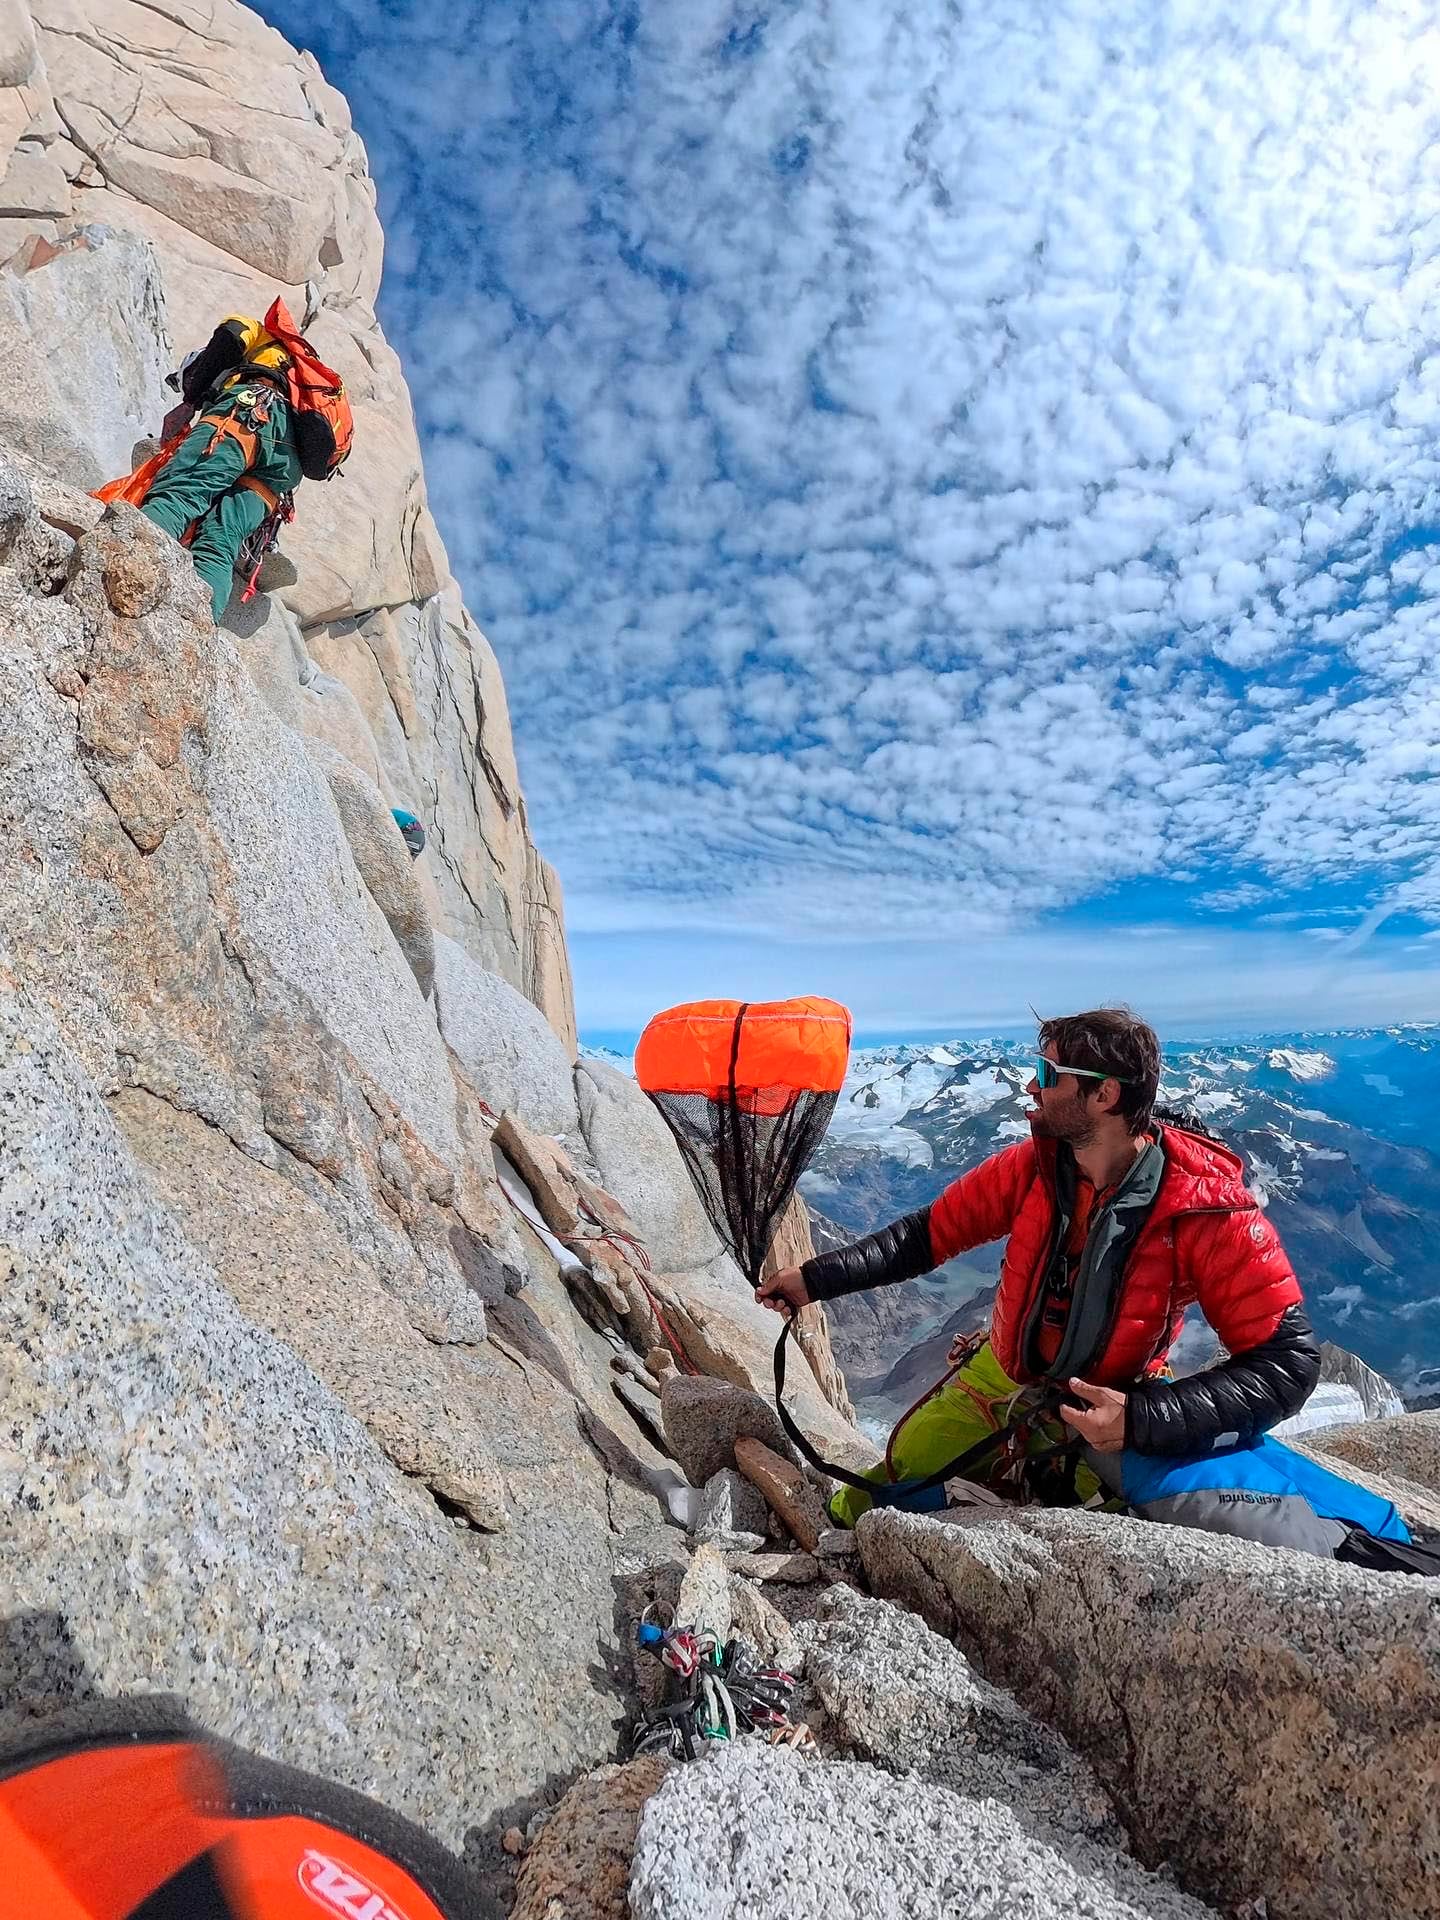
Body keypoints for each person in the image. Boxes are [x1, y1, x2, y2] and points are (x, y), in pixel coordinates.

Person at [759, 1006, 1321, 1526]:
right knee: (892, 1481)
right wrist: (812, 1281)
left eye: (1050, 1075)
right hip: (1004, 1373)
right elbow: (925, 1237)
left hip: (1115, 1400)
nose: (1031, 1086)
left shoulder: (1203, 1206)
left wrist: (1144, 1418)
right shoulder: (1033, 1167)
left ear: (1104, 1095)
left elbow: (1288, 1361)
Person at [139, 314, 304, 621]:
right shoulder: (297, 377)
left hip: (250, 411)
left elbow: (231, 334)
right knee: (220, 541)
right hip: (284, 464)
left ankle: (123, 559)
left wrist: (190, 400)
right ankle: (197, 628)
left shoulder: (257, 333)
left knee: (180, 493)